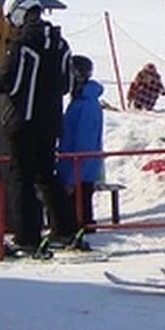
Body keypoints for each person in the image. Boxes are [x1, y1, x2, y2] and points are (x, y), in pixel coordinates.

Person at [0, 0, 81, 257]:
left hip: (23, 122)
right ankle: (66, 229)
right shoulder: (61, 44)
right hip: (50, 122)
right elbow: (66, 85)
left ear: (19, 15)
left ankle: (27, 237)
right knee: (47, 174)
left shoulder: (23, 45)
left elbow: (9, 83)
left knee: (21, 178)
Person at [58, 55, 105, 232]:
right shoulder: (78, 102)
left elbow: (84, 143)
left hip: (79, 172)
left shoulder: (87, 104)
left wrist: (71, 178)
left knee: (79, 220)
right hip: (73, 169)